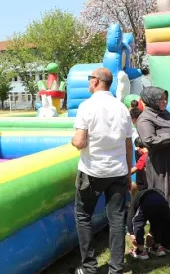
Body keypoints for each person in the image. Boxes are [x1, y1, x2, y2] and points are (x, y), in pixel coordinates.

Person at [70, 67, 132, 274]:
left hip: (92, 171)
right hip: (118, 170)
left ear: (96, 81)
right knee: (116, 219)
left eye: (90, 79)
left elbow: (80, 142)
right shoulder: (121, 108)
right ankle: (116, 268)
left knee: (83, 216)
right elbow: (128, 143)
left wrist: (73, 141)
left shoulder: (87, 106)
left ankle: (89, 267)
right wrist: (127, 172)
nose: (89, 82)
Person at [136, 86, 170, 248]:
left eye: (165, 98)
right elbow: (149, 140)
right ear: (151, 100)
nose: (164, 101)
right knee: (165, 197)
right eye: (160, 99)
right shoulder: (145, 119)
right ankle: (164, 238)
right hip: (162, 165)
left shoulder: (164, 113)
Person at [127, 185, 170, 260]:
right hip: (163, 202)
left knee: (137, 222)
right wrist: (151, 233)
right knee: (157, 221)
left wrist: (132, 234)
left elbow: (130, 217)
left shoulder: (136, 197)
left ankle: (140, 251)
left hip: (148, 203)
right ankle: (157, 247)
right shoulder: (154, 191)